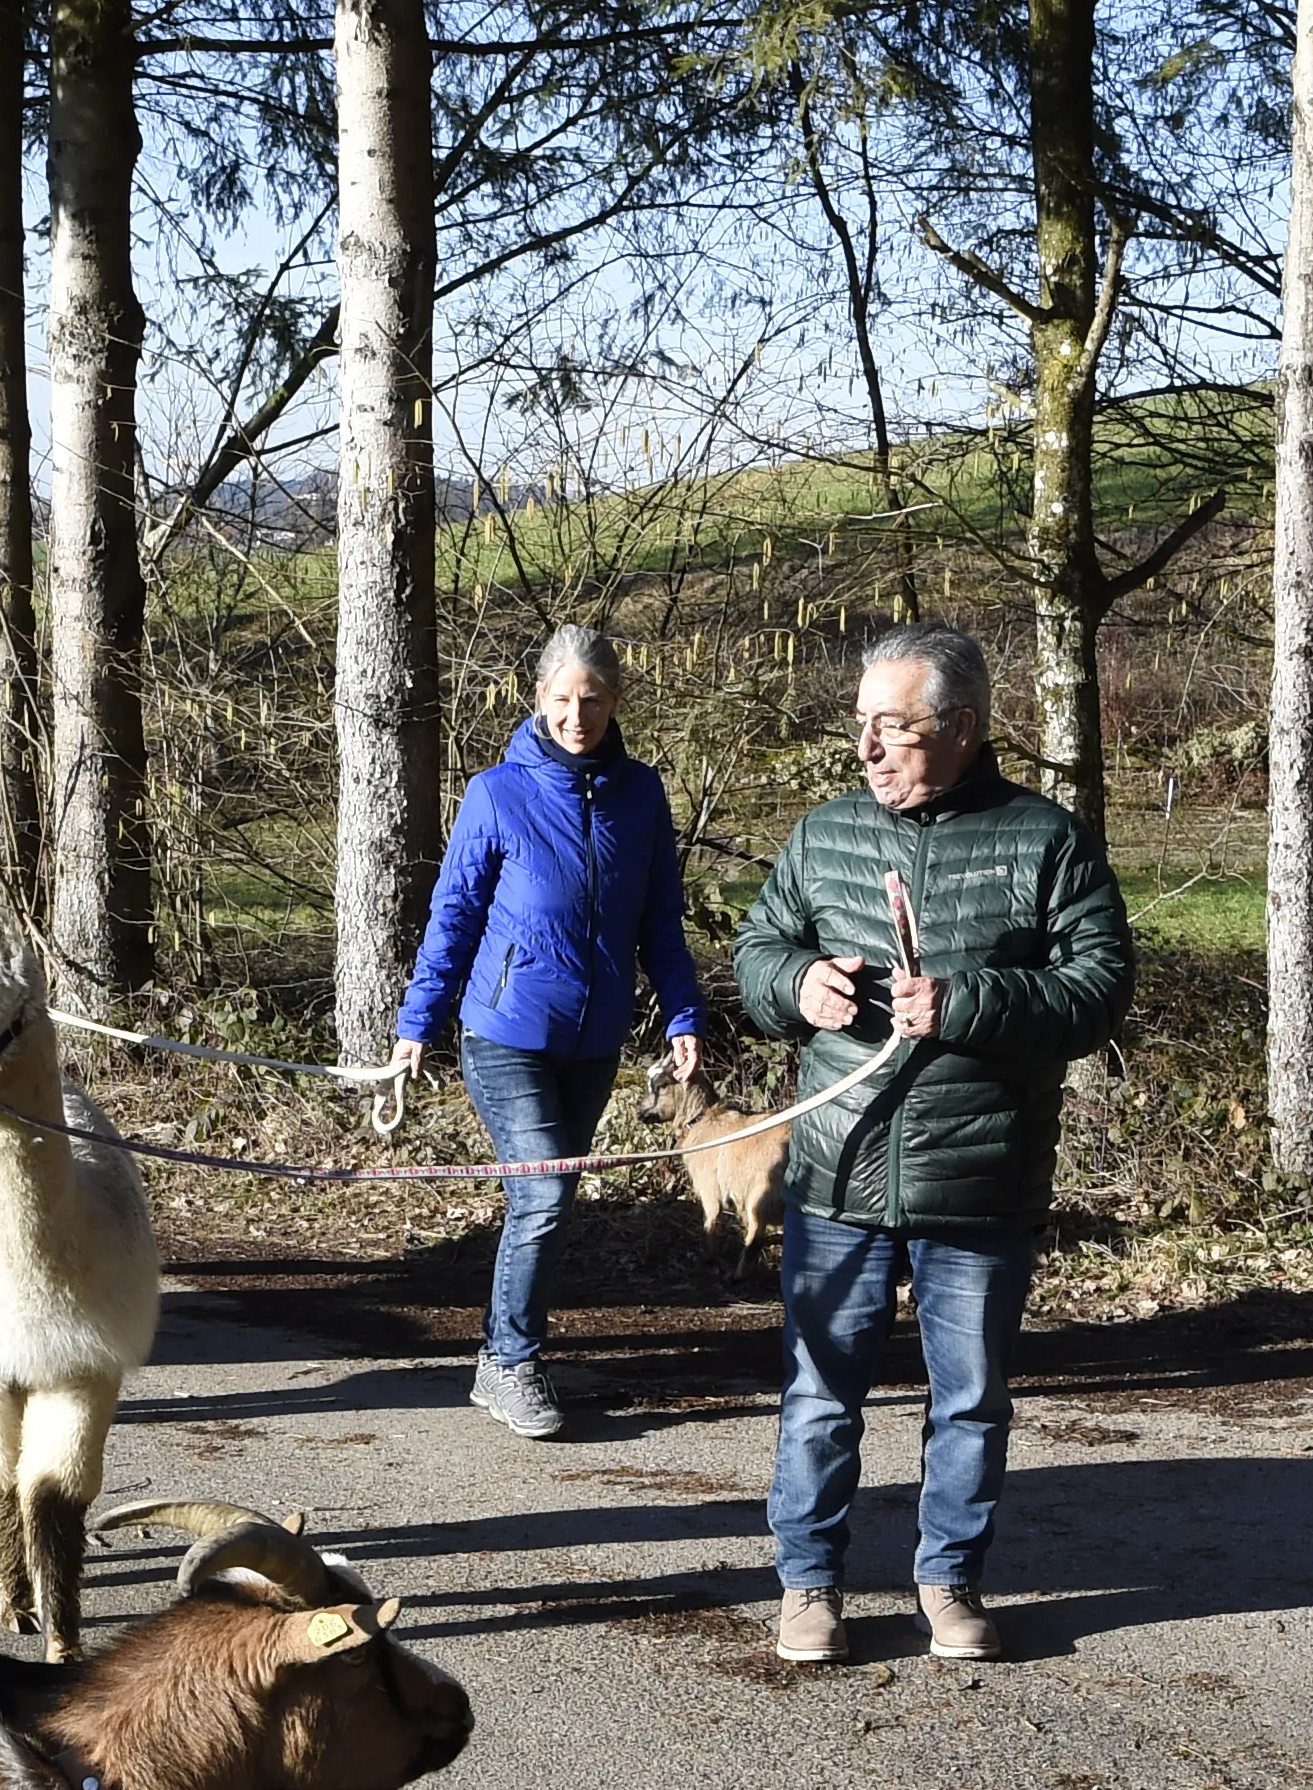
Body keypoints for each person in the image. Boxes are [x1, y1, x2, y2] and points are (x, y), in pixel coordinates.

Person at [730, 623, 1134, 1666]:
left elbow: (1096, 992)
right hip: (837, 1170)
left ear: (958, 727)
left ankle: (948, 1581)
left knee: (969, 1400)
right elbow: (756, 949)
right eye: (859, 725)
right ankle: (808, 1586)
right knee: (820, 1396)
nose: (866, 749)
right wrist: (794, 985)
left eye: (891, 728)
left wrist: (969, 1003)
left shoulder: (1045, 839)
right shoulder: (823, 835)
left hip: (981, 1179)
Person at [396, 623, 711, 1438]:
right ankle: (509, 1362)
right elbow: (454, 916)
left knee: (550, 1197)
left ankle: (505, 1348)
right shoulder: (497, 793)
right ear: (539, 699)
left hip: (595, 1038)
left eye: (594, 701)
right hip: (505, 1033)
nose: (579, 716)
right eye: (564, 700)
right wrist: (415, 1025)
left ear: (614, 703)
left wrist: (682, 1013)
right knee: (543, 1189)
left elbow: (661, 921)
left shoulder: (641, 795)